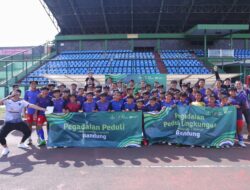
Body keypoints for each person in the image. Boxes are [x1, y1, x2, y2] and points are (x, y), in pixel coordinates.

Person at [0, 90, 46, 156]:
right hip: (8, 123)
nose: (16, 94)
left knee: (28, 132)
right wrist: (8, 97)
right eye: (14, 93)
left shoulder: (22, 102)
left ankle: (21, 143)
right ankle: (6, 148)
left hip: (19, 122)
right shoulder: (7, 101)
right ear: (11, 94)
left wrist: (41, 108)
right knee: (0, 136)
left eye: (18, 93)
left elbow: (32, 105)